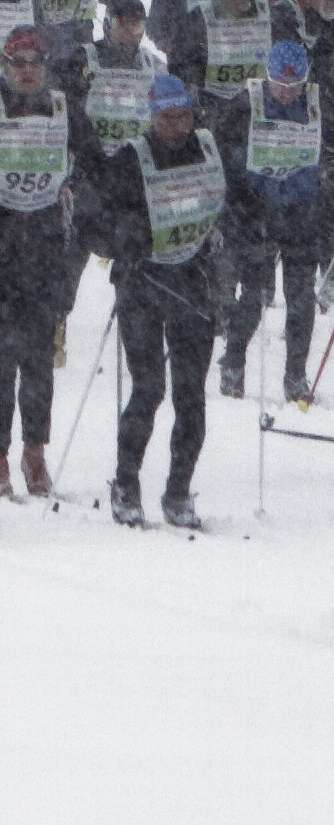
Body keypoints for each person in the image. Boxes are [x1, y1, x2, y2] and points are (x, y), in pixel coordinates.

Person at [92, 69, 233, 530]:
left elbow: (234, 200)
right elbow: (94, 221)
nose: (177, 125)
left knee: (191, 394)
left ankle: (177, 490)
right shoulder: (131, 159)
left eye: (184, 116)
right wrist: (124, 239)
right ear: (152, 117)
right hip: (143, 284)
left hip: (192, 279)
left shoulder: (209, 147)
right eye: (167, 117)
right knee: (149, 387)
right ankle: (126, 483)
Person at [0, 23, 86, 499]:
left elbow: (92, 162)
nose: (28, 72)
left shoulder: (63, 108)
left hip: (46, 247)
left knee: (38, 359)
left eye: (36, 63)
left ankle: (34, 451)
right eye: (19, 63)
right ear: (5, 65)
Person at [225, 36, 323, 404]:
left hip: (301, 209)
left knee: (300, 298)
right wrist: (241, 204)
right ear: (266, 77)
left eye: (294, 85)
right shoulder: (246, 103)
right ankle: (233, 362)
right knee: (256, 292)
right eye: (279, 84)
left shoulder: (316, 103)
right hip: (258, 207)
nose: (286, 92)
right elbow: (226, 151)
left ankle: (295, 375)